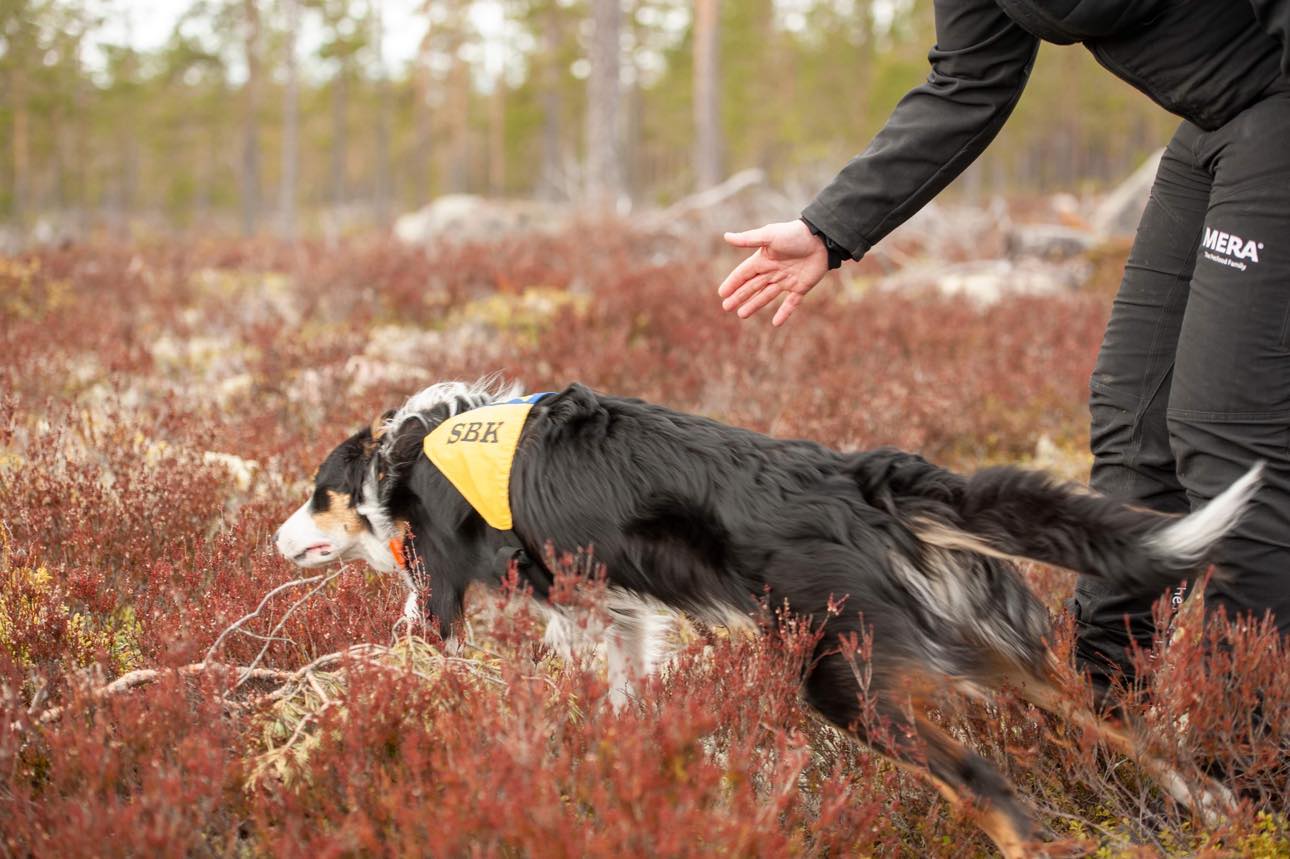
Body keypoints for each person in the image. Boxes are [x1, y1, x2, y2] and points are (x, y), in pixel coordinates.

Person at [717, 0, 1290, 696]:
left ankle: (1251, 753)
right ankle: (1100, 703)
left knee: (1224, 430)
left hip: (1277, 110)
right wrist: (828, 228)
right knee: (1132, 417)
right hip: (1216, 125)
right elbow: (970, 79)